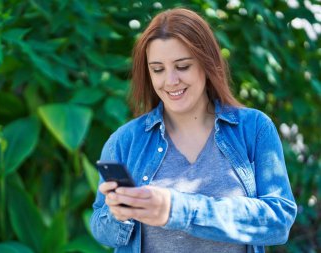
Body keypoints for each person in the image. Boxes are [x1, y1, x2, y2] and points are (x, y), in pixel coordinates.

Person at [90, 7, 297, 253]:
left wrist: (176, 209)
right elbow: (102, 231)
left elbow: (279, 222)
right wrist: (120, 214)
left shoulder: (254, 129)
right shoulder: (125, 141)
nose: (171, 81)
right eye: (158, 69)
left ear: (206, 63)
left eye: (183, 66)